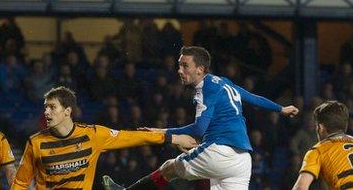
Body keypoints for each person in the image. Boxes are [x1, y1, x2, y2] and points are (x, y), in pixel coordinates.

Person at [103, 46, 299, 190]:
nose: (179, 70)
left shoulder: (205, 88)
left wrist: (164, 132)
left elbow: (198, 130)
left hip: (220, 151)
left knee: (169, 168)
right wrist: (281, 109)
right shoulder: (223, 82)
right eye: (179, 65)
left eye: (185, 65)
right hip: (242, 160)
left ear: (200, 69)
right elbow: (252, 98)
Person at [10, 86, 198, 189]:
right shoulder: (35, 142)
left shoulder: (93, 135)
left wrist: (173, 138)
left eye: (52, 107)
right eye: (45, 107)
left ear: (67, 111)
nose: (46, 112)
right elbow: (20, 182)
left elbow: (132, 137)